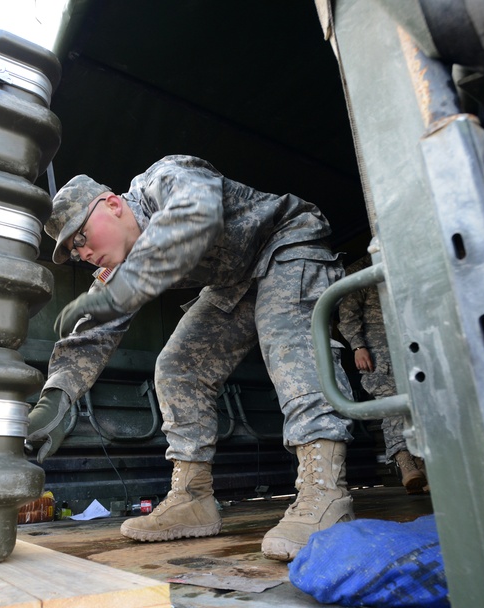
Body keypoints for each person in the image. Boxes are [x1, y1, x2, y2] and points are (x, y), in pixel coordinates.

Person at [26, 155, 355, 562]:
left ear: (112, 204)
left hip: (285, 243)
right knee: (178, 368)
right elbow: (96, 324)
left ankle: (324, 491)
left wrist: (121, 290)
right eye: (74, 252)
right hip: (235, 282)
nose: (83, 252)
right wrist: (55, 399)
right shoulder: (124, 262)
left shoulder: (163, 179)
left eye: (81, 236)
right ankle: (192, 497)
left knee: (289, 341)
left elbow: (197, 212)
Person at [337, 253, 428, 494]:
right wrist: (358, 346)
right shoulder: (362, 268)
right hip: (378, 351)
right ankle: (405, 461)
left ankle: (424, 466)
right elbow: (347, 312)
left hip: (412, 345)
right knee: (392, 405)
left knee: (421, 403)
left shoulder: (407, 260)